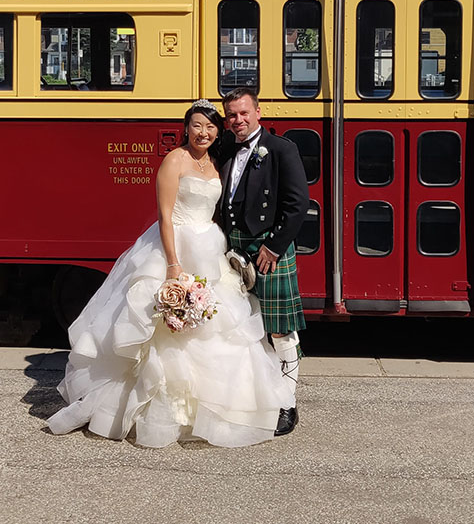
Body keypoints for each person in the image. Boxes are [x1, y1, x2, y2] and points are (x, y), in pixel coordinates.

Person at [46, 100, 294, 447]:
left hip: (210, 246)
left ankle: (212, 406)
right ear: (186, 127)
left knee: (218, 324)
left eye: (209, 127)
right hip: (175, 246)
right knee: (162, 331)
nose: (203, 133)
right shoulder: (174, 160)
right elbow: (165, 217)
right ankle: (168, 410)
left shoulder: (214, 161)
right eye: (196, 126)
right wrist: (174, 265)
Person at [220, 87, 308, 436]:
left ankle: (287, 404)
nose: (237, 120)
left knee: (281, 330)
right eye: (231, 115)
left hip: (269, 251)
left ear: (258, 112)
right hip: (232, 250)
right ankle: (255, 397)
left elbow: (298, 203)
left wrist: (274, 247)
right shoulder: (226, 147)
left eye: (243, 113)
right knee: (244, 328)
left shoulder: (282, 149)